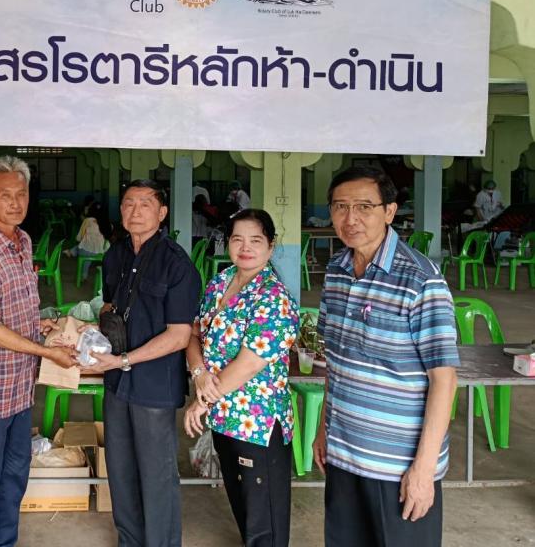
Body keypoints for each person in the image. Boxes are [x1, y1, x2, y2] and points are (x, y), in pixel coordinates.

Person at [314, 166, 459, 547]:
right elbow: (336, 361)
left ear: (390, 211)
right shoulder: (336, 271)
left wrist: (423, 470)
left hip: (398, 465)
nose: (351, 218)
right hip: (344, 455)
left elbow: (444, 380)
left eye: (364, 207)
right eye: (340, 207)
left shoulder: (421, 280)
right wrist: (323, 428)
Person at [0, 155, 76, 547]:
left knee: (13, 478)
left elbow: (12, 312)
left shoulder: (22, 242)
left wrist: (40, 326)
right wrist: (46, 353)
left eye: (21, 194)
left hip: (21, 390)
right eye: (5, 195)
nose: (15, 202)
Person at [80, 179, 202, 547]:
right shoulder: (115, 255)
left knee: (156, 474)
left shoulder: (177, 264)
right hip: (117, 382)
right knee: (120, 469)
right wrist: (91, 332)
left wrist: (123, 359)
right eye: (129, 203)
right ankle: (129, 540)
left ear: (162, 212)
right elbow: (109, 306)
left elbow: (179, 335)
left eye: (145, 204)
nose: (135, 211)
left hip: (153, 384)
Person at [183, 209, 299, 547]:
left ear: (271, 246)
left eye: (255, 240)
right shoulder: (220, 282)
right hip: (223, 415)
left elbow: (249, 364)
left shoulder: (274, 297)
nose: (245, 248)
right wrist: (199, 374)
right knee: (243, 507)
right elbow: (193, 335)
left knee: (264, 522)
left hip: (257, 422)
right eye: (237, 239)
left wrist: (202, 400)